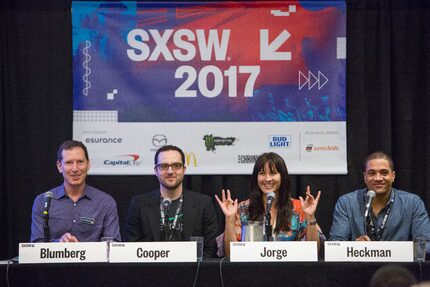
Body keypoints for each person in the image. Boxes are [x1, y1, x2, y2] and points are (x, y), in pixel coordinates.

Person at [215, 152, 323, 257]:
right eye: (262, 173)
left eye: (273, 173)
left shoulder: (298, 208)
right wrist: (229, 219)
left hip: (290, 271)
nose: (267, 179)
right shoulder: (243, 209)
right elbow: (231, 254)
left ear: (282, 176)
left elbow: (314, 251)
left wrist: (310, 217)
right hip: (251, 271)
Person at [125, 145, 218, 258]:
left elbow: (210, 250)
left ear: (184, 170)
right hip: (149, 273)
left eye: (176, 166)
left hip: (192, 273)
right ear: (156, 170)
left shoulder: (203, 204)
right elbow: (132, 250)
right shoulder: (139, 204)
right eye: (164, 166)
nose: (170, 171)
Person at [330, 151, 430, 244]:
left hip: (398, 263)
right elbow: (336, 243)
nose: (378, 178)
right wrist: (354, 247)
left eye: (384, 173)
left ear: (393, 176)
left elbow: (425, 244)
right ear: (365, 177)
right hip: (360, 262)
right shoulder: (346, 203)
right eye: (372, 173)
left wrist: (398, 251)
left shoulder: (413, 203)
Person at [31, 140, 121, 242]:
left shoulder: (105, 202)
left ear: (88, 164)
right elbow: (36, 246)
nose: (75, 168)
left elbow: (113, 247)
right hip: (55, 258)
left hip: (93, 258)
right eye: (69, 163)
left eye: (80, 162)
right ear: (59, 166)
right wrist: (59, 245)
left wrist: (80, 250)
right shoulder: (43, 201)